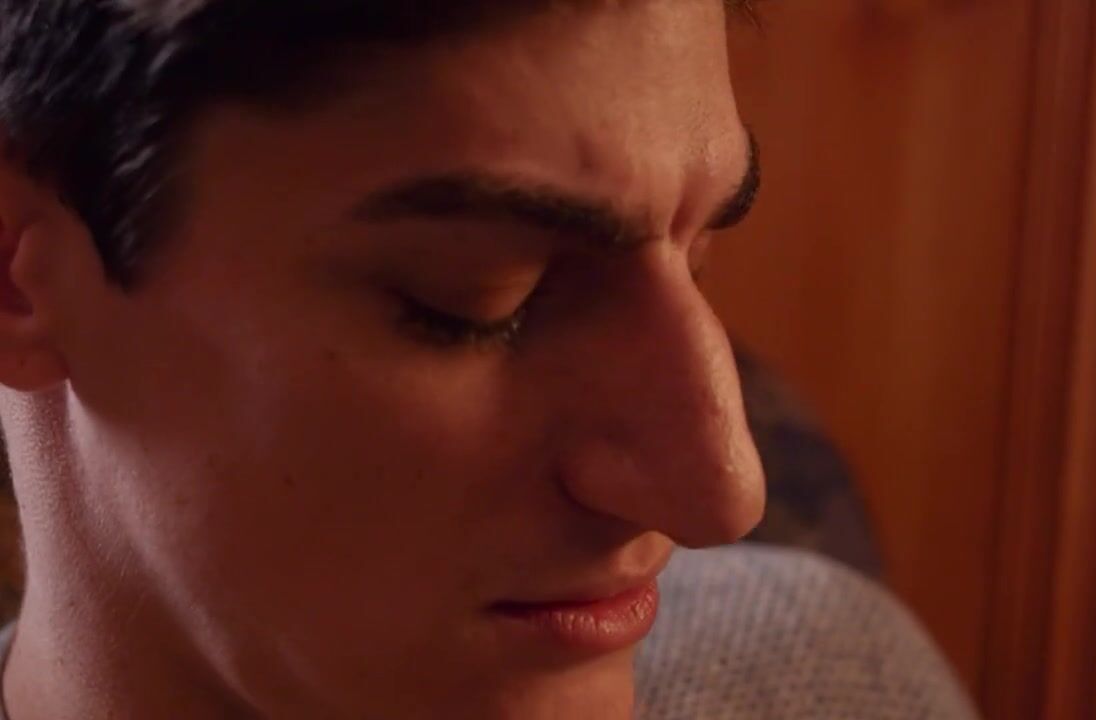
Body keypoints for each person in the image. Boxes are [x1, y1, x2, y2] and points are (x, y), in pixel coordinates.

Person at [0, 1, 977, 718]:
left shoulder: (840, 678)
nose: (720, 494)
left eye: (700, 256)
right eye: (476, 298)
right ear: (17, 279)